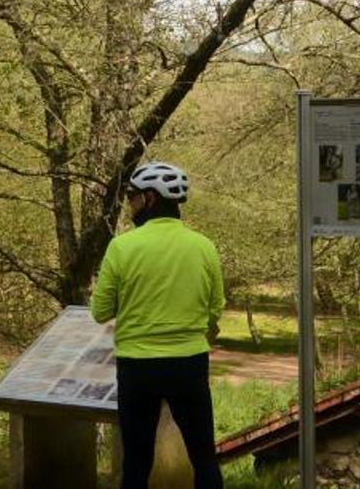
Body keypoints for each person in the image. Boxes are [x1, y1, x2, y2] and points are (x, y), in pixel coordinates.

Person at [90, 161, 225, 489]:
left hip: (137, 367)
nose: (130, 204)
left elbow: (100, 311)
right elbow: (215, 310)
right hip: (189, 363)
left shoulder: (122, 247)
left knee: (136, 462)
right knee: (204, 457)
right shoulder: (204, 247)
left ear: (150, 198)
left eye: (132, 196)